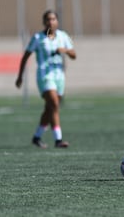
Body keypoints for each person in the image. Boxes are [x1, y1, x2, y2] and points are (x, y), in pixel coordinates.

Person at [16, 10, 77, 148]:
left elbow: (74, 55)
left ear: (57, 21)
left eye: (54, 19)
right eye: (48, 19)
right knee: (54, 103)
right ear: (44, 22)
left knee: (50, 108)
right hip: (45, 76)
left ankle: (37, 137)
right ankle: (58, 140)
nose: (51, 22)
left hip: (59, 76)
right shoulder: (38, 38)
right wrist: (20, 76)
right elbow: (25, 56)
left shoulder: (63, 36)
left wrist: (66, 51)